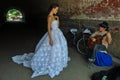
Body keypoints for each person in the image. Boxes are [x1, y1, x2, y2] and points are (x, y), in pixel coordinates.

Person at [12, 3, 70, 78]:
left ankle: (56, 61)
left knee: (59, 47)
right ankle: (49, 62)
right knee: (54, 47)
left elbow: (57, 26)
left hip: (58, 33)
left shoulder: (54, 16)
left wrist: (57, 19)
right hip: (52, 34)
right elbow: (49, 29)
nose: (57, 10)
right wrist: (51, 39)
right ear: (53, 8)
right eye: (56, 9)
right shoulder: (49, 17)